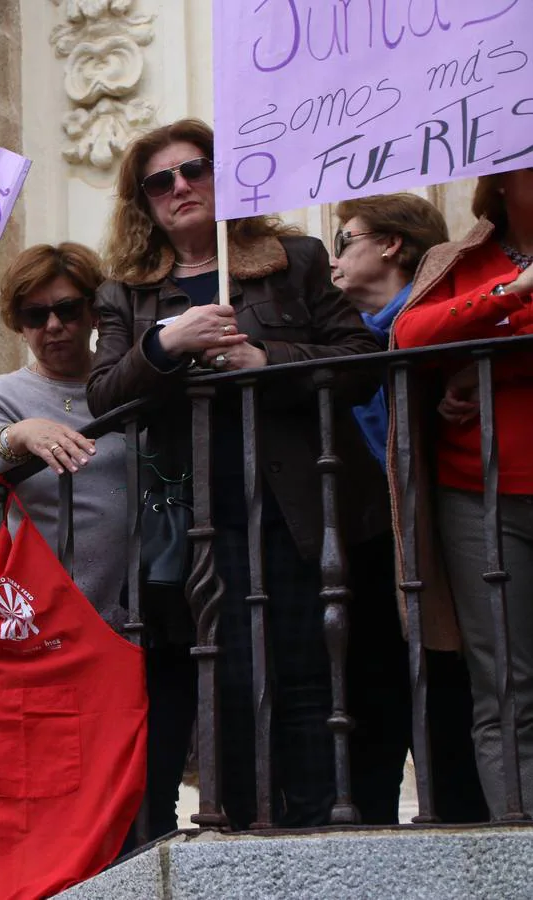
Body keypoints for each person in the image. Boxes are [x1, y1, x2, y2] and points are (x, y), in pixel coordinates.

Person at [87, 118, 389, 831]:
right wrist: (166, 345)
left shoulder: (297, 258)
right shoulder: (126, 293)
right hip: (199, 512)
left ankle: (319, 829)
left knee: (314, 671)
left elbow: (358, 361)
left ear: (224, 176)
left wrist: (266, 358)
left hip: (296, 503)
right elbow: (103, 394)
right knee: (229, 676)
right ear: (144, 202)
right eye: (160, 181)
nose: (180, 187)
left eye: (194, 170)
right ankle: (247, 826)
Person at [0, 243, 158, 835]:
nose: (54, 326)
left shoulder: (125, 383)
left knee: (149, 791)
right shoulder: (4, 394)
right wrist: (19, 435)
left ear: (96, 314)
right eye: (34, 314)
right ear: (17, 323)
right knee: (69, 797)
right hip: (55, 628)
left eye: (69, 309)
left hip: (145, 612)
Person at [330, 193, 487, 824]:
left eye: (344, 241)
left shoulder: (436, 323)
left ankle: (459, 823)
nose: (333, 260)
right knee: (377, 686)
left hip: (438, 531)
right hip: (372, 534)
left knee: (444, 681)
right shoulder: (344, 337)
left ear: (391, 245)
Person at [393, 167, 533, 816]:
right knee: (505, 685)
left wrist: (483, 366)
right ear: (502, 180)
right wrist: (516, 290)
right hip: (481, 495)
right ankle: (518, 849)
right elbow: (412, 335)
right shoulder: (462, 258)